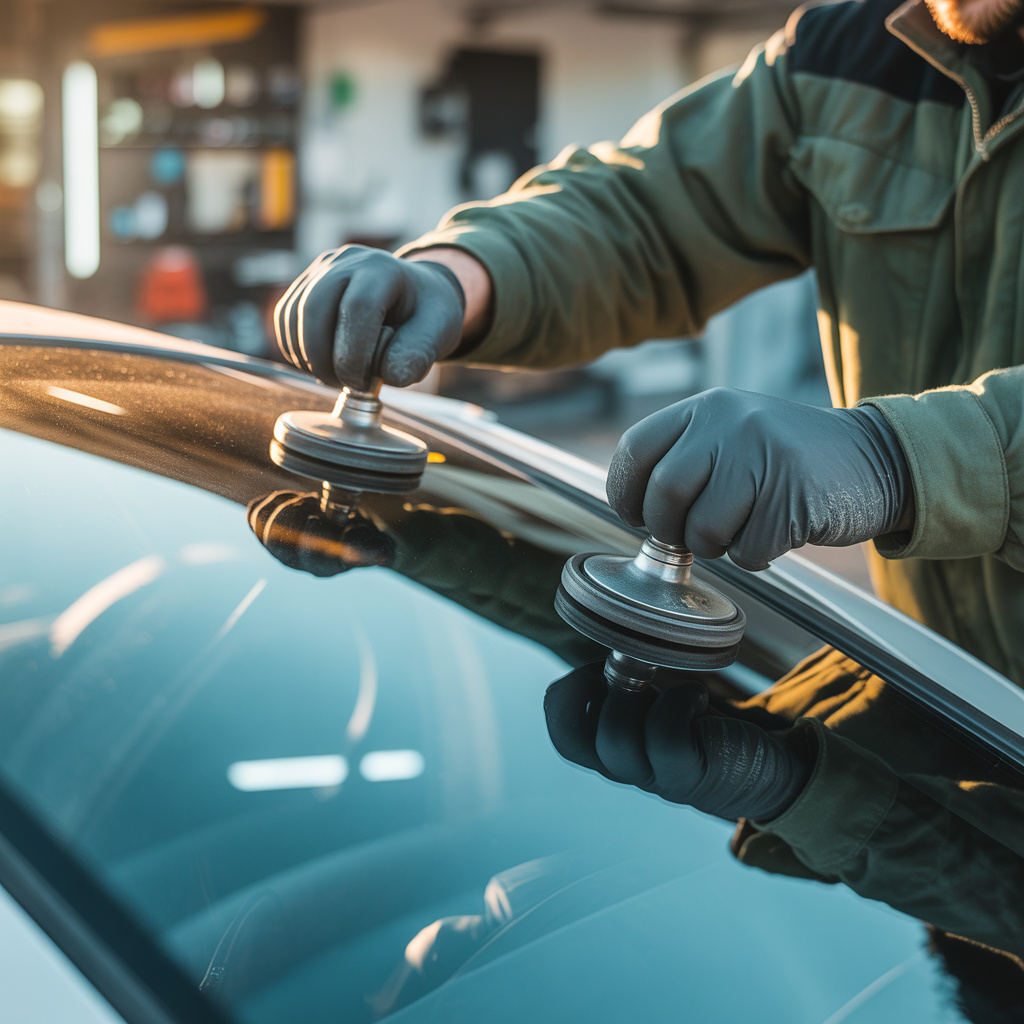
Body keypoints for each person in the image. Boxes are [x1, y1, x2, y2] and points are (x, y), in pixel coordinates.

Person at [275, 0, 1024, 838]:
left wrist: (901, 462)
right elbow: (650, 212)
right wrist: (462, 274)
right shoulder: (855, 52)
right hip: (940, 720)